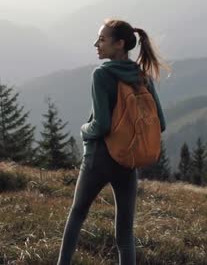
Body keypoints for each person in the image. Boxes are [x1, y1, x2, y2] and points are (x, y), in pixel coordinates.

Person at [57, 18, 171, 265]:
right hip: (128, 160)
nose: (96, 44)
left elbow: (102, 125)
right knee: (125, 235)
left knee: (77, 214)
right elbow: (160, 123)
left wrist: (83, 129)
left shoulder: (101, 74)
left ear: (119, 44)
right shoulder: (142, 75)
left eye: (102, 39)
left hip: (99, 158)